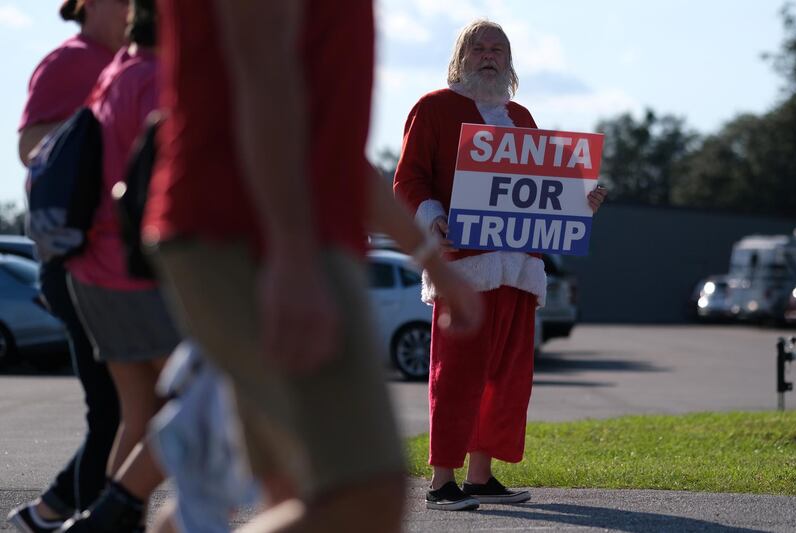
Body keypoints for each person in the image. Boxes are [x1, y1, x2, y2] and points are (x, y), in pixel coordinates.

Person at [140, 1, 481, 531]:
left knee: (296, 491)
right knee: (365, 496)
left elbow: (335, 146)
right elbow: (263, 72)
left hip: (265, 235)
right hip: (250, 234)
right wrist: (292, 253)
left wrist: (430, 258)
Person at [393, 19, 608, 511]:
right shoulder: (433, 109)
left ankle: (481, 477)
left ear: (509, 61)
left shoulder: (521, 116)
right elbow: (408, 181)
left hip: (518, 269)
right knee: (457, 374)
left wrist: (579, 208)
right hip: (463, 267)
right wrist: (434, 217)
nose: (489, 56)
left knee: (504, 376)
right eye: (479, 48)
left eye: (498, 49)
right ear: (461, 57)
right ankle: (441, 481)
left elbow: (537, 192)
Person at [56, 2, 181, 532]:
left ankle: (107, 522)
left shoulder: (116, 73)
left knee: (138, 414)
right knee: (201, 406)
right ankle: (108, 521)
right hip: (133, 269)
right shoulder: (157, 80)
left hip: (92, 267)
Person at [7, 1, 127, 531]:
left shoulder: (130, 59)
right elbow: (31, 147)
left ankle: (56, 509)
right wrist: (96, 132)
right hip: (78, 259)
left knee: (125, 409)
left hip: (120, 260)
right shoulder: (70, 61)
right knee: (114, 410)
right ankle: (86, 517)